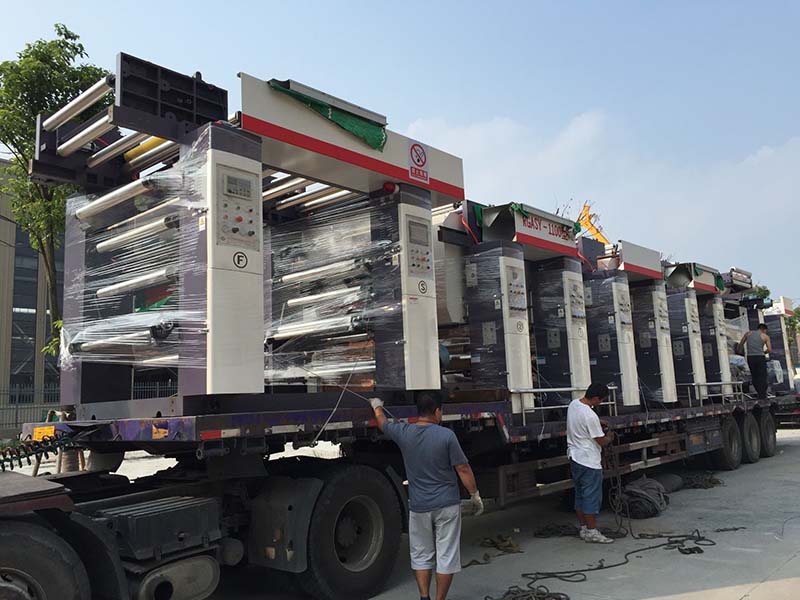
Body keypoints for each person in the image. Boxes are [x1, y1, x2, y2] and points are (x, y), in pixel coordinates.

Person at [370, 395, 483, 600]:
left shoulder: (404, 432)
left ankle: (424, 597)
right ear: (437, 411)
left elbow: (382, 423)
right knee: (446, 555)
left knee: (421, 554)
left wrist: (377, 406)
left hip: (419, 506)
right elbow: (463, 468)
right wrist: (474, 494)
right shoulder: (447, 436)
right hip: (447, 505)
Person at [567, 383, 616, 544]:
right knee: (591, 498)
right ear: (595, 398)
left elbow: (583, 420)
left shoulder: (574, 404)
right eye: (600, 400)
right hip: (589, 462)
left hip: (575, 458)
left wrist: (598, 421)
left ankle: (584, 529)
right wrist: (609, 438)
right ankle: (592, 532)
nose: (600, 403)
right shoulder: (590, 416)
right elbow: (600, 440)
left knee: (580, 495)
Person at [740, 323, 772, 399]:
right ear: (764, 329)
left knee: (754, 376)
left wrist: (740, 351)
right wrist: (763, 352)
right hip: (760, 357)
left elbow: (741, 344)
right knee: (762, 376)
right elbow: (769, 349)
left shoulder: (748, 334)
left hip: (750, 357)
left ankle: (759, 393)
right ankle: (762, 394)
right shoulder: (765, 336)